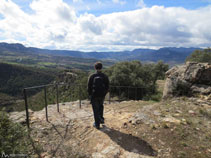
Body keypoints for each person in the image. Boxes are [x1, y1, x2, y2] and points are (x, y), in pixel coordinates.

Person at [88, 62, 109, 129]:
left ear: (95, 68)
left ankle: (97, 124)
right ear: (101, 67)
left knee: (95, 109)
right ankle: (101, 119)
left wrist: (90, 95)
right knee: (101, 106)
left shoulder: (92, 76)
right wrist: (104, 94)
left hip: (94, 96)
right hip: (102, 95)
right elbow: (107, 87)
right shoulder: (105, 76)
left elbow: (89, 87)